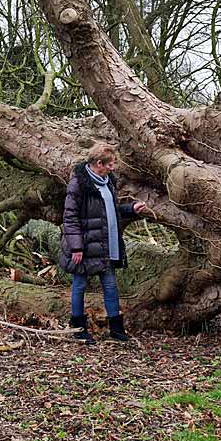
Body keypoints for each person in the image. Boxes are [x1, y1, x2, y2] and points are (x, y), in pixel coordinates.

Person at [59, 143, 147, 342]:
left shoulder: (108, 181)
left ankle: (117, 330)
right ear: (99, 163)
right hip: (85, 246)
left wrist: (131, 208)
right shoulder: (79, 183)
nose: (113, 168)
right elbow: (70, 217)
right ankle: (78, 329)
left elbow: (111, 210)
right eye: (110, 164)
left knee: (110, 286)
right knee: (80, 285)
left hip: (106, 245)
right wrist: (76, 247)